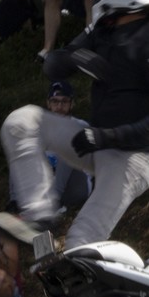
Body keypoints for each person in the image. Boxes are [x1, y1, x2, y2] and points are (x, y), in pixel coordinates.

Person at [1, 0, 149, 247]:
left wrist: (109, 136)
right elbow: (53, 66)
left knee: (80, 241)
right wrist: (80, 57)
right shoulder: (106, 26)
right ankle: (40, 213)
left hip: (132, 157)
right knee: (21, 121)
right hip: (95, 140)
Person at [41, 80, 93, 214]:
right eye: (55, 101)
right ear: (48, 103)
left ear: (72, 103)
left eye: (64, 102)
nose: (59, 106)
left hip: (75, 185)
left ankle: (55, 202)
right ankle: (15, 202)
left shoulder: (81, 126)